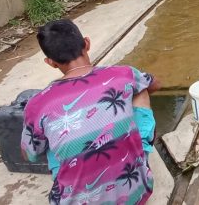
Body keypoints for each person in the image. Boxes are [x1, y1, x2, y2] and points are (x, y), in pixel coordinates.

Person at [21, 19, 160, 204]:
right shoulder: (123, 74)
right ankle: (141, 151)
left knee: (47, 136)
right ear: (87, 43)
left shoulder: (37, 104)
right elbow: (155, 84)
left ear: (51, 62)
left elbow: (29, 154)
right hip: (136, 194)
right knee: (140, 88)